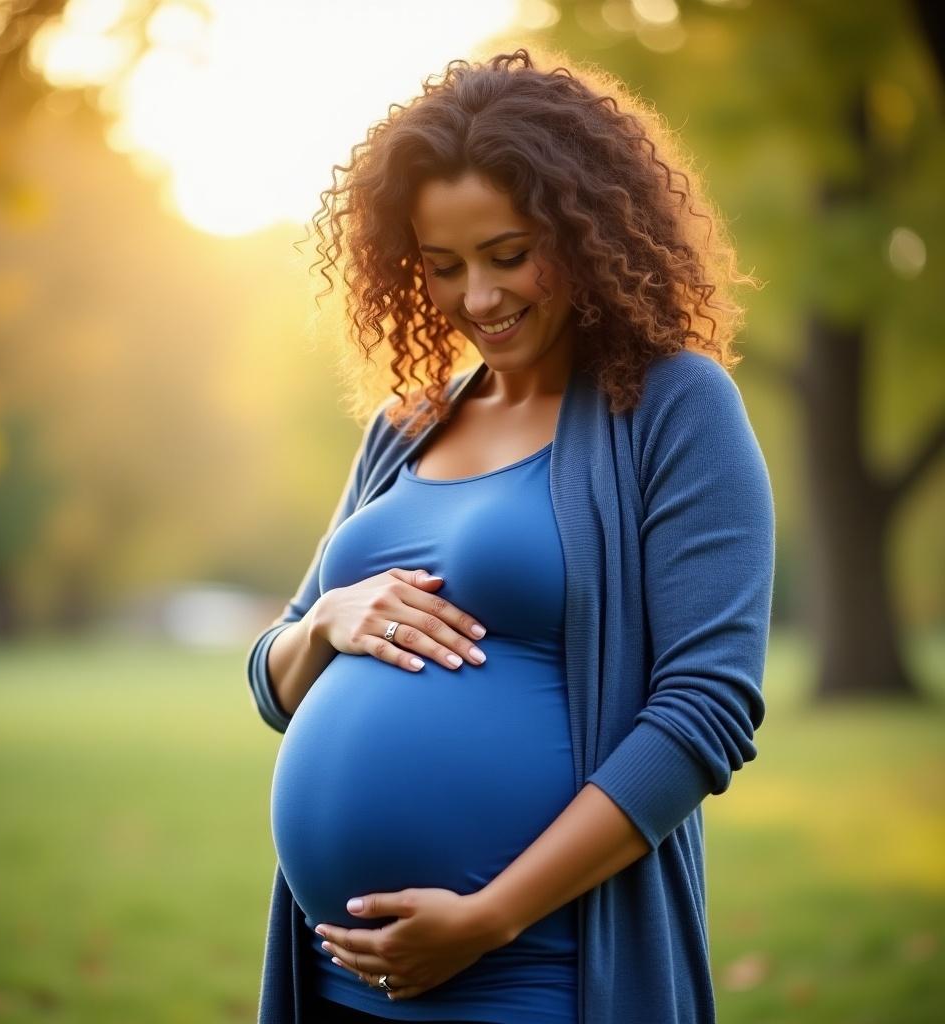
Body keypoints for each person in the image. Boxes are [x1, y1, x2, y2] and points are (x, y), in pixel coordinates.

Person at [246, 48, 775, 1024]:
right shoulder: (407, 426)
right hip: (339, 979)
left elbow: (705, 709)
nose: (477, 297)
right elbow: (273, 685)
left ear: (586, 231)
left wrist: (489, 917)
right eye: (442, 267)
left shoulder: (671, 407)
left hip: (539, 976)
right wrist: (324, 619)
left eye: (508, 252)